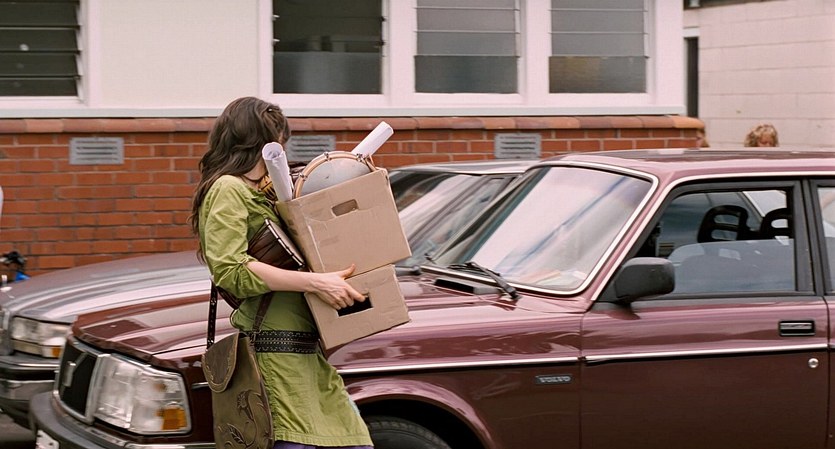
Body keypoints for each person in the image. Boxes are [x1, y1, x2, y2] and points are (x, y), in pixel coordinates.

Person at [189, 96, 374, 449]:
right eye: (277, 137)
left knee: (356, 442)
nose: (283, 146)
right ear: (260, 141)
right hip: (273, 355)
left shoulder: (270, 189)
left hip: (307, 351)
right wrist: (315, 283)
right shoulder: (228, 188)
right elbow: (230, 269)